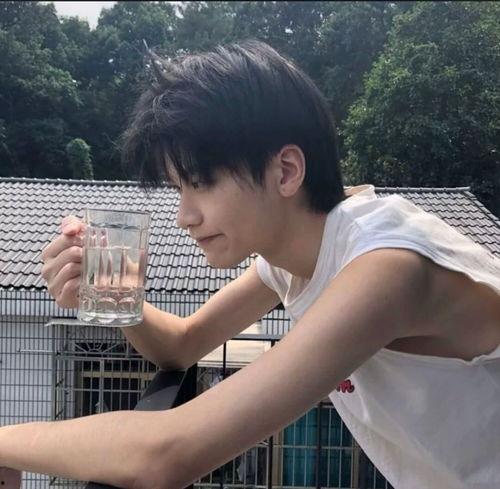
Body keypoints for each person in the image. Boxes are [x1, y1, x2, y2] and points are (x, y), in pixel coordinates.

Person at [1, 40, 499, 489]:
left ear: (286, 171)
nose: (184, 216)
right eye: (178, 189)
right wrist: (114, 294)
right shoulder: (294, 258)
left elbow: (165, 455)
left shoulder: (386, 264)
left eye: (201, 183)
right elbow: (181, 346)